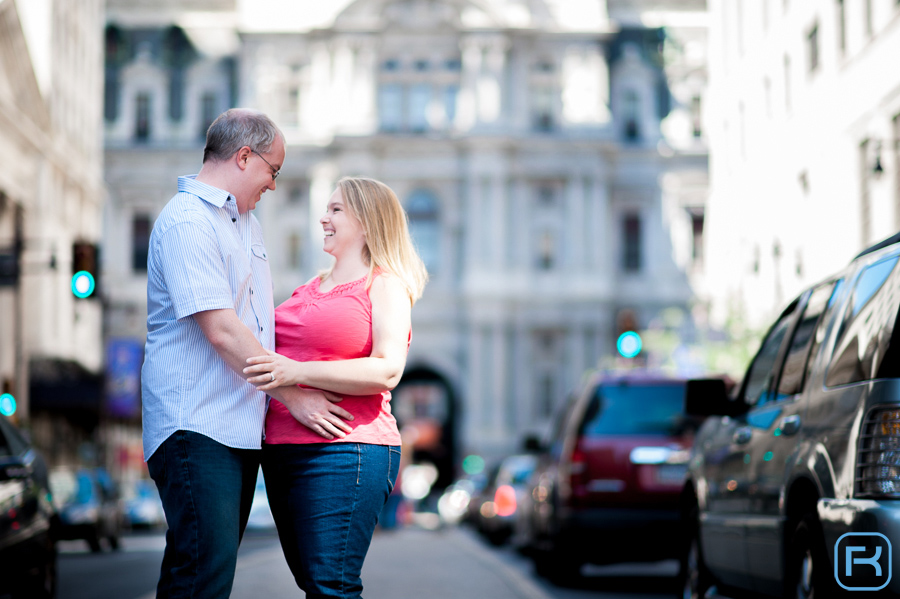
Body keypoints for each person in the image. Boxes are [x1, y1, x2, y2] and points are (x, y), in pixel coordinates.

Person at [141, 108, 351, 599]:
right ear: (243, 156)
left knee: (207, 575)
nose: (274, 185)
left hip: (236, 426)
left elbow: (258, 323)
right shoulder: (188, 221)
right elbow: (223, 331)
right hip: (196, 425)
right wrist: (294, 396)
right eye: (272, 170)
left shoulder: (245, 223)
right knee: (201, 578)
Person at [242, 176, 428, 598]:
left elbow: (387, 370)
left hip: (347, 450)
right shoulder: (306, 288)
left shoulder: (385, 284)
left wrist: (295, 372)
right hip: (281, 452)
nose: (323, 218)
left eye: (336, 210)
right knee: (313, 584)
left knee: (331, 585)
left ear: (367, 219)